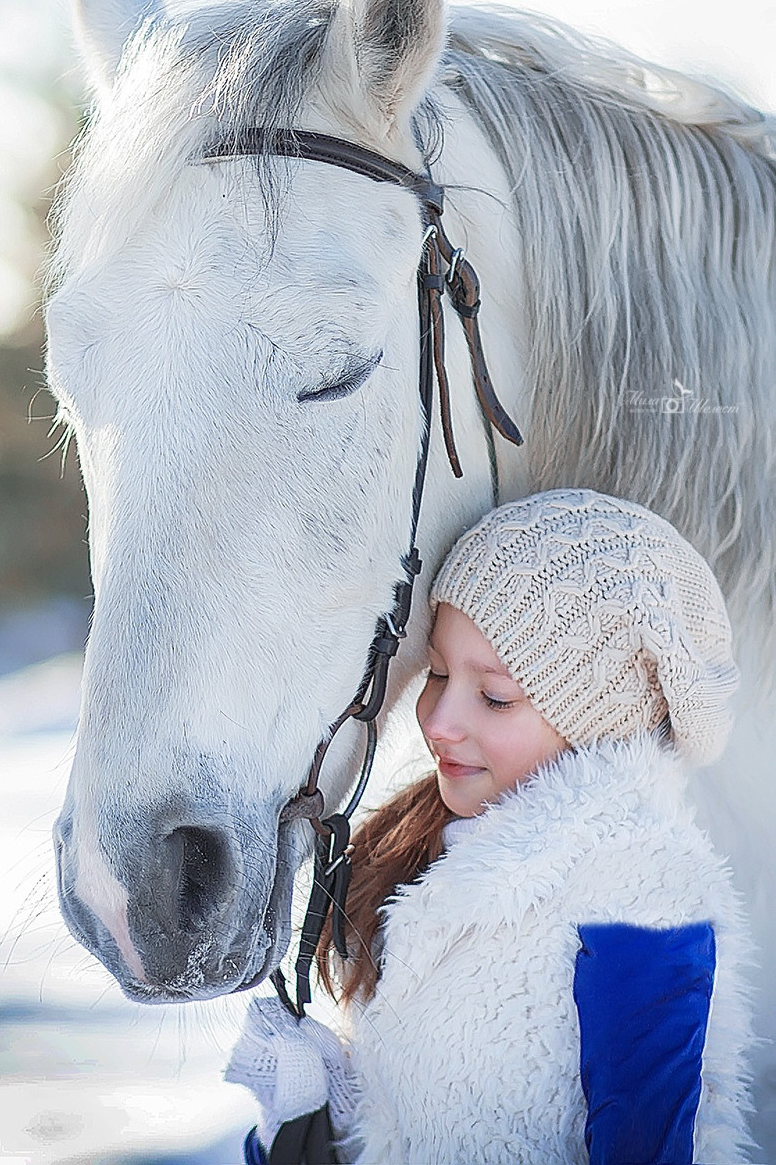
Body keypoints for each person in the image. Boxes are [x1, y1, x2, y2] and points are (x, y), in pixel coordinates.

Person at [227, 489, 757, 1164]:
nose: (439, 721)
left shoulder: (636, 889)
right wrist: (309, 1126)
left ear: (596, 718)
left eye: (495, 696)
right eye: (439, 673)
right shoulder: (438, 848)